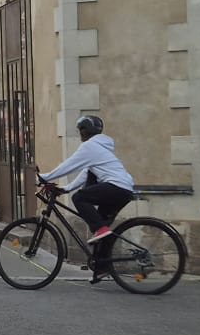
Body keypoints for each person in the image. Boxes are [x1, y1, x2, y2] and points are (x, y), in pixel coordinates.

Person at [38, 115, 135, 281]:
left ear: (85, 131)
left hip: (115, 187)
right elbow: (86, 173)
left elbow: (69, 165)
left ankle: (101, 230)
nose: (80, 134)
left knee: (80, 199)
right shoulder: (99, 147)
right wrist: (65, 189)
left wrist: (45, 177)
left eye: (80, 130)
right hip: (123, 190)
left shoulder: (90, 146)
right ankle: (102, 268)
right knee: (100, 231)